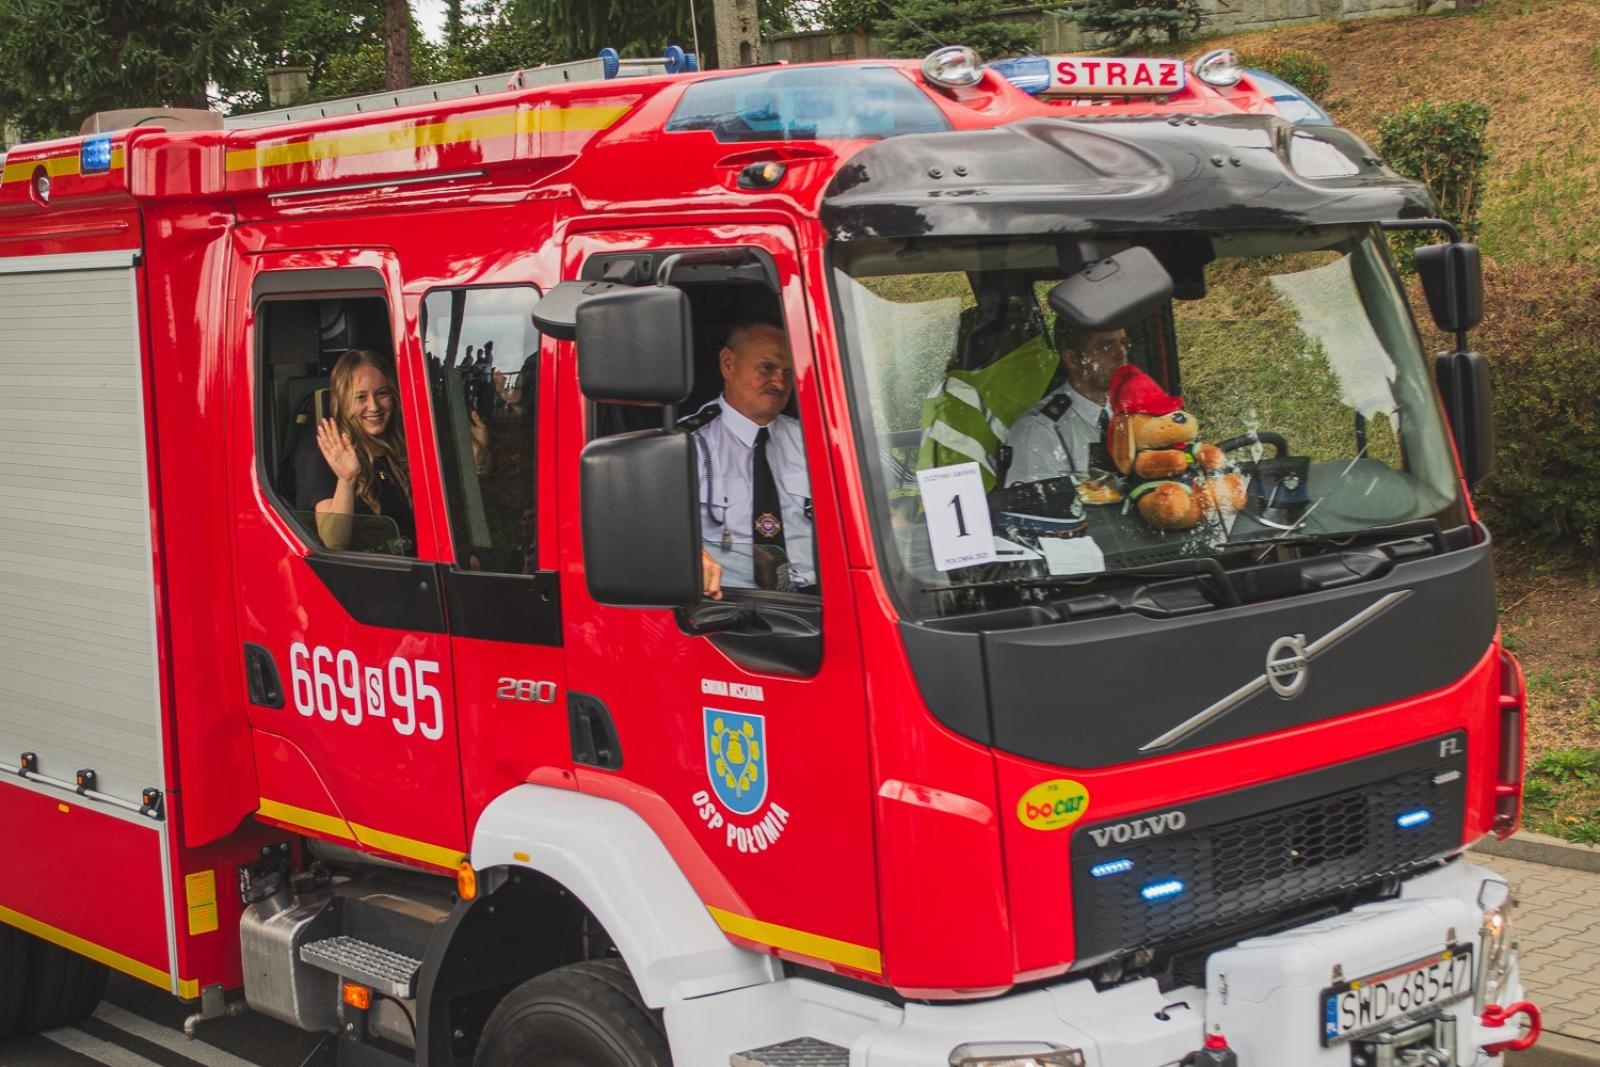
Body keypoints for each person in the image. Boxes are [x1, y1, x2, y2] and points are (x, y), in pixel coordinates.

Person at [684, 321, 814, 598]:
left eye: (788, 372)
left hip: (818, 602)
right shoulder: (685, 446)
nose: (780, 383)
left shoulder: (814, 441)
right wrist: (686, 554)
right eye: (767, 368)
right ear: (728, 364)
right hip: (729, 606)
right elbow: (655, 532)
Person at [310, 349, 415, 552]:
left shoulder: (410, 448)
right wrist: (347, 479)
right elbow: (333, 541)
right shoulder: (325, 461)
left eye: (382, 394)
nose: (374, 406)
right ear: (343, 402)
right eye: (360, 397)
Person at [1004, 321, 1130, 486]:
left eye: (1123, 343)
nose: (1121, 354)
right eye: (1106, 346)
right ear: (1072, 359)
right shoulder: (1038, 431)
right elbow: (1035, 507)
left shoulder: (1129, 413)